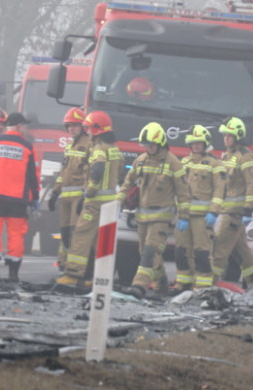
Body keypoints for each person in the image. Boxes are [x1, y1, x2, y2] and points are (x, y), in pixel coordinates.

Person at [121, 122, 190, 298]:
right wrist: (119, 199)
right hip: (142, 217)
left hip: (161, 218)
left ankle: (139, 286)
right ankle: (161, 285)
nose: (148, 149)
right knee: (146, 252)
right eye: (145, 146)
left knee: (151, 252)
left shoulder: (173, 163)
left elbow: (183, 192)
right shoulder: (141, 160)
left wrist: (184, 216)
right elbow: (128, 181)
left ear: (159, 143)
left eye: (150, 145)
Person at [60, 111, 122, 286]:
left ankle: (72, 274)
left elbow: (97, 170)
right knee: (103, 240)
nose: (86, 132)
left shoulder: (99, 149)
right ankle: (99, 277)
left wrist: (90, 191)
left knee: (81, 235)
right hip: (110, 203)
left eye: (88, 128)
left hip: (95, 203)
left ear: (97, 129)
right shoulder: (115, 149)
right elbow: (120, 175)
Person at [0, 111, 39, 284]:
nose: (26, 129)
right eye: (25, 126)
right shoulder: (27, 147)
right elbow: (33, 175)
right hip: (17, 199)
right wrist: (34, 197)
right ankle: (13, 275)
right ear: (19, 126)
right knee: (16, 235)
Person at [209, 116, 253, 287]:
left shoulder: (245, 157)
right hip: (226, 210)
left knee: (218, 250)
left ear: (238, 136)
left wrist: (248, 210)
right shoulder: (227, 156)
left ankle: (206, 286)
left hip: (235, 213)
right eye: (225, 135)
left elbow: (252, 184)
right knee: (243, 251)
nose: (226, 138)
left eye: (229, 136)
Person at [174, 124, 219, 290]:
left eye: (199, 143)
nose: (196, 146)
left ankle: (202, 286)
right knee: (181, 251)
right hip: (184, 216)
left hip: (202, 218)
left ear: (205, 143)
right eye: (193, 143)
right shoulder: (183, 163)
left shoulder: (215, 164)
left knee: (202, 253)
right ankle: (183, 282)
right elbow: (178, 189)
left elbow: (220, 190)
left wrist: (214, 211)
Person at [47, 107, 90, 273]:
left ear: (82, 127)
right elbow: (63, 172)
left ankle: (74, 269)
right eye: (68, 126)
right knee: (64, 234)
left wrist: (85, 196)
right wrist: (55, 192)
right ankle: (63, 263)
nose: (71, 129)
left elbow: (89, 173)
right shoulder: (70, 145)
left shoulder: (89, 145)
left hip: (78, 197)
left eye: (74, 125)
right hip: (65, 197)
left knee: (74, 234)